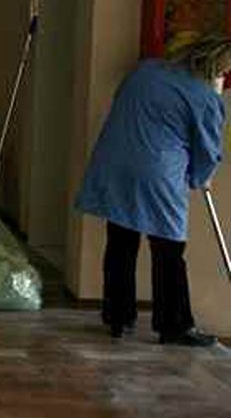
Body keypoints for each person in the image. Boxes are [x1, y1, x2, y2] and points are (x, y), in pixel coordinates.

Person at [76, 36, 231, 346]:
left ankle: (118, 317)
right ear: (217, 68)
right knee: (168, 250)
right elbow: (207, 148)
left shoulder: (144, 71)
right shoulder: (204, 96)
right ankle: (173, 325)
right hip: (158, 172)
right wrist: (202, 176)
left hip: (115, 160)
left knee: (121, 240)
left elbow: (123, 105)